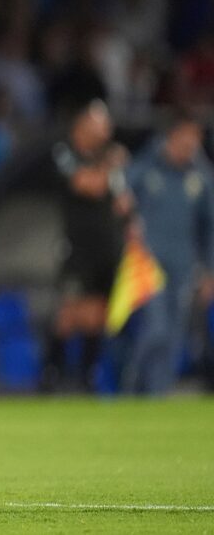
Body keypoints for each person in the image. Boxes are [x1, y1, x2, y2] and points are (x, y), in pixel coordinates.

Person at [124, 112, 214, 394]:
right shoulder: (148, 165)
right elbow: (121, 193)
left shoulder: (201, 176)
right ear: (172, 136)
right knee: (156, 330)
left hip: (184, 266)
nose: (191, 146)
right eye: (187, 138)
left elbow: (211, 226)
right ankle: (132, 389)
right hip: (148, 266)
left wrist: (210, 271)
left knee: (174, 337)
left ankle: (156, 398)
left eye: (196, 141)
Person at [45, 100, 132, 391]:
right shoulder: (65, 152)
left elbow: (122, 202)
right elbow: (88, 184)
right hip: (77, 248)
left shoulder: (106, 159)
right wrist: (110, 165)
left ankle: (87, 377)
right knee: (69, 313)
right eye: (100, 123)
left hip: (106, 248)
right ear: (83, 125)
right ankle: (51, 375)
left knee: (97, 313)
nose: (106, 130)